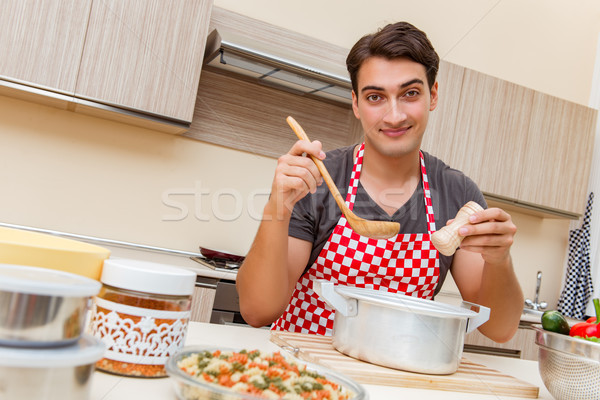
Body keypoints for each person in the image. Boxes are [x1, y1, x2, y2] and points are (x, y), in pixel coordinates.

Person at [236, 21, 523, 343]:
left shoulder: (457, 193)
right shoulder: (318, 178)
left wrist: (500, 260)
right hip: (305, 374)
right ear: (356, 104)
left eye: (410, 93)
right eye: (376, 97)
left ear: (433, 95)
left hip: (398, 377)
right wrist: (279, 205)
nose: (395, 115)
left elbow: (499, 330)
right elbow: (258, 311)